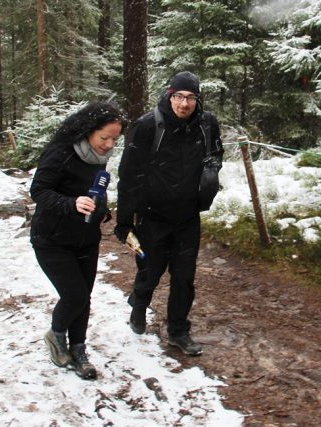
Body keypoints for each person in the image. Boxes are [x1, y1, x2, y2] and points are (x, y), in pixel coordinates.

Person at [114, 71, 224, 356]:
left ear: (197, 99)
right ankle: (138, 307)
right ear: (169, 95)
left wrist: (211, 173)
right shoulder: (148, 125)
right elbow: (128, 175)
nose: (184, 104)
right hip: (152, 216)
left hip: (188, 217)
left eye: (190, 97)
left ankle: (178, 331)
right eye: (179, 96)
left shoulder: (207, 124)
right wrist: (124, 221)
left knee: (184, 277)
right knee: (149, 271)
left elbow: (216, 153)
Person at [30, 102, 127, 380]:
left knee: (84, 297)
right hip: (51, 238)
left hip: (85, 238)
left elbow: (94, 189)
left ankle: (79, 348)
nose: (109, 145)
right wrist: (71, 203)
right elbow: (39, 190)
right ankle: (56, 335)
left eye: (114, 139)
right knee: (75, 295)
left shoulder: (98, 158)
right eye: (104, 138)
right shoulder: (60, 153)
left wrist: (101, 208)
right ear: (87, 131)